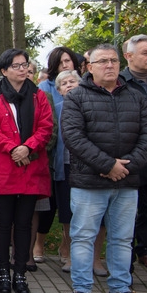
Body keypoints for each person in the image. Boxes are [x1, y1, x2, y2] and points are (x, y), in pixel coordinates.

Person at [62, 44, 147, 293]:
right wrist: (107, 165)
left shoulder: (136, 96)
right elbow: (74, 138)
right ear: (89, 67)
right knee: (83, 237)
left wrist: (124, 167)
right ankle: (81, 290)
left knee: (122, 238)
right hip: (89, 183)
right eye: (102, 61)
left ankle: (120, 290)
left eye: (113, 60)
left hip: (126, 183)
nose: (110, 65)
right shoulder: (77, 97)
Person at [0, 48, 53, 293]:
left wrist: (27, 147)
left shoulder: (38, 95)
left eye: (25, 65)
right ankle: (3, 272)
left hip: (31, 166)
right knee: (3, 224)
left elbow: (46, 127)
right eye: (16, 66)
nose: (22, 69)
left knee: (24, 224)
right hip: (4, 168)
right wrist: (13, 148)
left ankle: (20, 272)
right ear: (4, 70)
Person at [119, 35, 147, 290]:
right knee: (128, 223)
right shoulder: (120, 84)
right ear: (129, 56)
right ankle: (124, 274)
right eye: (146, 53)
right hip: (131, 165)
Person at [52, 70, 80, 272]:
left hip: (88, 169)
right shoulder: (56, 109)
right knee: (68, 213)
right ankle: (69, 253)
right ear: (59, 90)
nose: (69, 85)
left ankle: (92, 258)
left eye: (73, 81)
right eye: (64, 83)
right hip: (64, 167)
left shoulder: (89, 106)